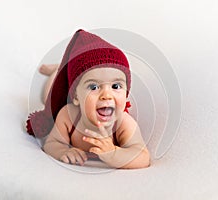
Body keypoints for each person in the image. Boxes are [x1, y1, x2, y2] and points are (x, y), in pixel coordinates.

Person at [26, 29, 150, 169]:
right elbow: (51, 143)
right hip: (62, 88)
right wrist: (63, 151)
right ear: (76, 97)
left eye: (116, 86)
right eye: (93, 87)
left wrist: (113, 153)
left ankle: (63, 69)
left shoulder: (123, 123)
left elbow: (143, 156)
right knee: (48, 93)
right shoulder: (68, 115)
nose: (106, 95)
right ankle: (57, 70)